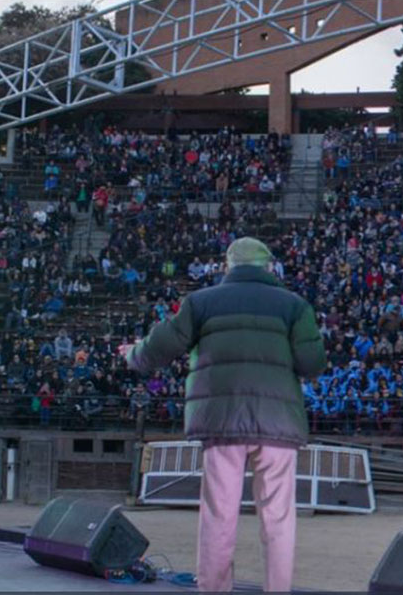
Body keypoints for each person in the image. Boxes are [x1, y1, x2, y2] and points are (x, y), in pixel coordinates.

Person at [121, 236, 326, 592]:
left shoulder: (201, 302)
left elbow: (161, 347)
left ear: (228, 265)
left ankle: (214, 589)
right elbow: (312, 364)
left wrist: (132, 354)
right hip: (277, 423)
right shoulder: (294, 306)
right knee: (278, 517)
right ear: (268, 266)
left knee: (219, 515)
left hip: (222, 421)